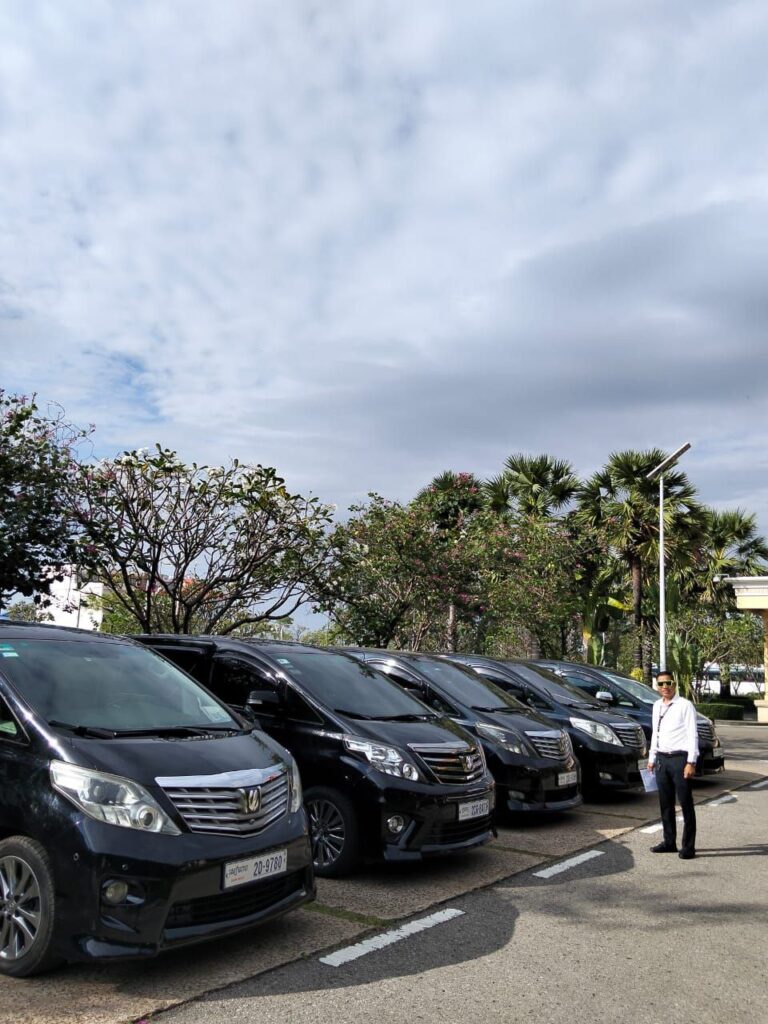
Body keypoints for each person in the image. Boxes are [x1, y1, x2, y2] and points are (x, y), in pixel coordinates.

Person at [647, 671, 699, 859]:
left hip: (680, 759)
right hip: (662, 759)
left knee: (685, 803)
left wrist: (691, 761)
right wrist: (652, 758)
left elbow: (693, 734)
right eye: (661, 684)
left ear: (674, 684)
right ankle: (669, 842)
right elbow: (656, 733)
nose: (665, 687)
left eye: (668, 683)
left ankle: (688, 847)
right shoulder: (656, 706)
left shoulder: (685, 705)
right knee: (665, 804)